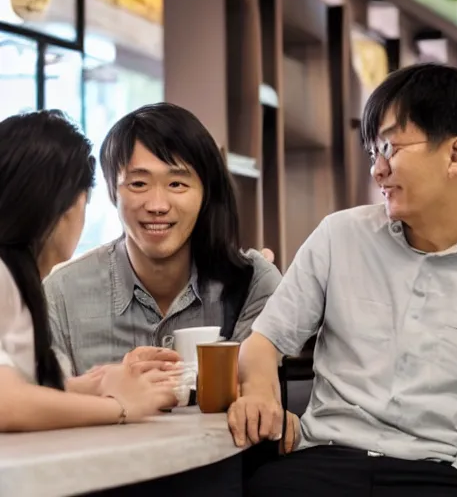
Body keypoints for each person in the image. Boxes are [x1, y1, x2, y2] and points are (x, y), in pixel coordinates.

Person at [228, 63, 457, 496]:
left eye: (390, 148)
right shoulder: (339, 236)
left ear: (455, 155)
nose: (377, 170)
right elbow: (264, 342)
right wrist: (260, 395)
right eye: (372, 153)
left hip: (437, 472)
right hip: (322, 456)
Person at [44, 103, 281, 392]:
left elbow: (254, 394)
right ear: (111, 190)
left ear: (206, 192)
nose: (157, 206)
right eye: (139, 183)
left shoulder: (253, 284)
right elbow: (47, 404)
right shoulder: (61, 294)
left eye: (177, 184)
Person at [0, 110, 178, 432]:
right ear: (65, 207)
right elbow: (7, 403)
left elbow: (24, 388)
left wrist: (101, 383)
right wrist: (119, 406)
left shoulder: (17, 279)